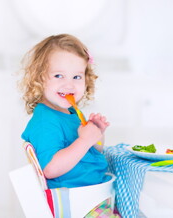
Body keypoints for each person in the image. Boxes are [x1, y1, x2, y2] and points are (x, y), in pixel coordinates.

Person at [19, 34, 111, 189]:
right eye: (58, 75)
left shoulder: (72, 113)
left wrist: (97, 136)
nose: (69, 85)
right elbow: (50, 169)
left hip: (94, 192)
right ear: (40, 78)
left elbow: (93, 152)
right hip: (72, 201)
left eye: (76, 76)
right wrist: (84, 141)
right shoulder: (45, 121)